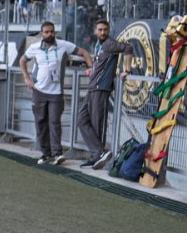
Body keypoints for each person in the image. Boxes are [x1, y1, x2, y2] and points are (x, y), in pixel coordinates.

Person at [18, 21, 92, 165]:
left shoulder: (63, 45)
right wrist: (27, 78)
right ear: (41, 33)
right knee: (41, 122)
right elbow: (22, 60)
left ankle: (57, 153)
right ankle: (46, 154)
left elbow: (84, 52)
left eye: (52, 31)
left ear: (55, 32)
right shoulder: (34, 48)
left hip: (56, 93)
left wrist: (90, 67)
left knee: (54, 122)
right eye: (46, 32)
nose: (49, 34)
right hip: (38, 91)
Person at [77, 19, 133, 169]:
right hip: (93, 87)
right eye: (100, 30)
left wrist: (126, 69)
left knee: (97, 124)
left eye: (105, 30)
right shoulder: (99, 45)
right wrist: (92, 70)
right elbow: (101, 63)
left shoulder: (109, 43)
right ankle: (98, 152)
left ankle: (99, 154)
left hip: (101, 88)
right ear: (95, 31)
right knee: (81, 119)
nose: (103, 32)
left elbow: (128, 47)